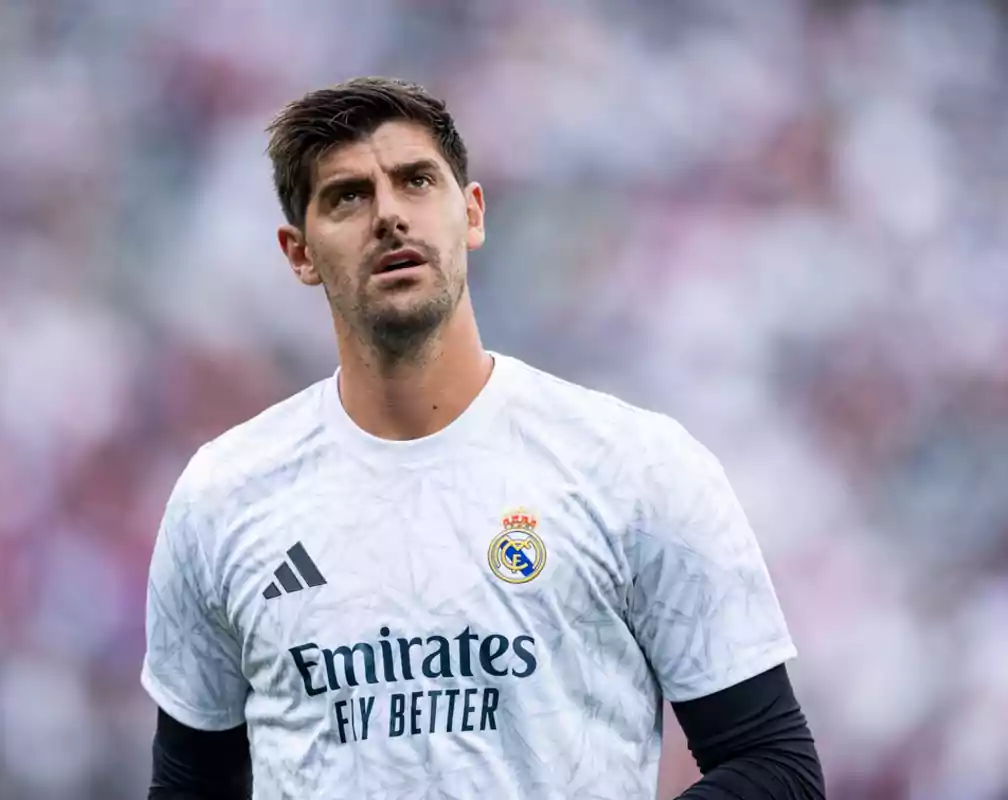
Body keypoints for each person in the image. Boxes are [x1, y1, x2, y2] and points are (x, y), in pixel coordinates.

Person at [141, 76, 824, 799]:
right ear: (299, 253)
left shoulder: (631, 466)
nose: (389, 216)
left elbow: (773, 764)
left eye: (416, 181)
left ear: (470, 213)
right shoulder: (224, 495)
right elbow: (190, 786)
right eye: (348, 196)